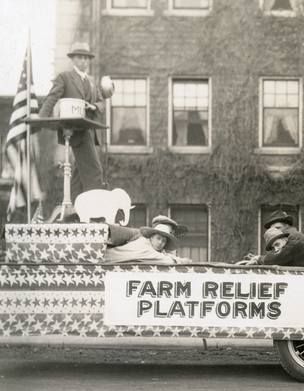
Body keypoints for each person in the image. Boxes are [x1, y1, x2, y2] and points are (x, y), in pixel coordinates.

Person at [38, 42, 106, 200]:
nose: (83, 61)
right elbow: (52, 97)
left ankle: (74, 211)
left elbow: (102, 103)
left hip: (88, 130)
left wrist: (94, 106)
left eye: (86, 58)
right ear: (73, 60)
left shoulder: (91, 81)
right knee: (95, 171)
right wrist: (41, 119)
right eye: (79, 58)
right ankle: (93, 211)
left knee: (78, 173)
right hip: (74, 131)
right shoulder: (65, 78)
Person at [240, 210, 304, 267]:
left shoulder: (292, 240)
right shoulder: (286, 243)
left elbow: (277, 258)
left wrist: (258, 258)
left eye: (278, 228)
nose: (276, 249)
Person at [104, 215, 192, 264]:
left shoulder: (153, 246)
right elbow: (165, 260)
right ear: (151, 236)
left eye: (164, 240)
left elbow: (164, 255)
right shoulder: (144, 245)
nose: (160, 242)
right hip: (101, 259)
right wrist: (182, 261)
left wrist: (177, 258)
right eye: (158, 238)